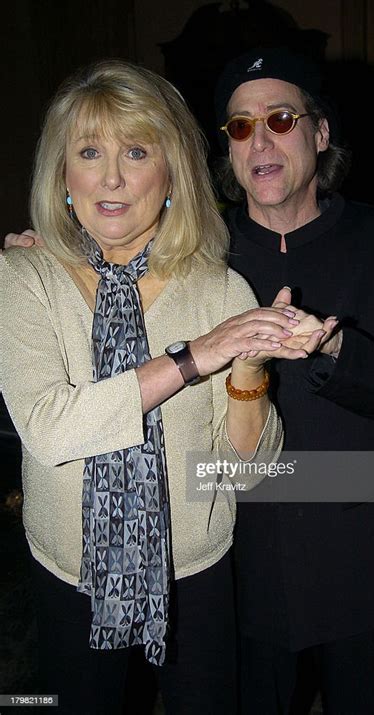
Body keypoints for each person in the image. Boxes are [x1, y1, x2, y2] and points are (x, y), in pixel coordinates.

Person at [0, 58, 332, 715]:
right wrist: (193, 356)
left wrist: (247, 363)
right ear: (64, 174)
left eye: (137, 150)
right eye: (90, 151)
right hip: (71, 577)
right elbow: (52, 428)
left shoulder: (220, 289)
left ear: (171, 170)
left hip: (195, 575)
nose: (113, 176)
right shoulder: (24, 275)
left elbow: (247, 469)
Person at [211, 45, 374, 714]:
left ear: (320, 133)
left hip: (362, 566)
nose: (259, 138)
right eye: (239, 125)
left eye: (281, 118)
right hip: (235, 566)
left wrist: (338, 345)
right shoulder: (195, 253)